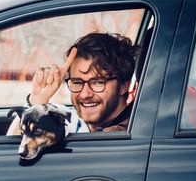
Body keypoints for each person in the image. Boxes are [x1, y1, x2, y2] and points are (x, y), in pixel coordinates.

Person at [7, 32, 138, 134]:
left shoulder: (117, 135)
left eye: (98, 82)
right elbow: (16, 149)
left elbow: (12, 157)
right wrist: (37, 100)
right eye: (77, 82)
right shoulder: (81, 126)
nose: (85, 94)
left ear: (123, 86)